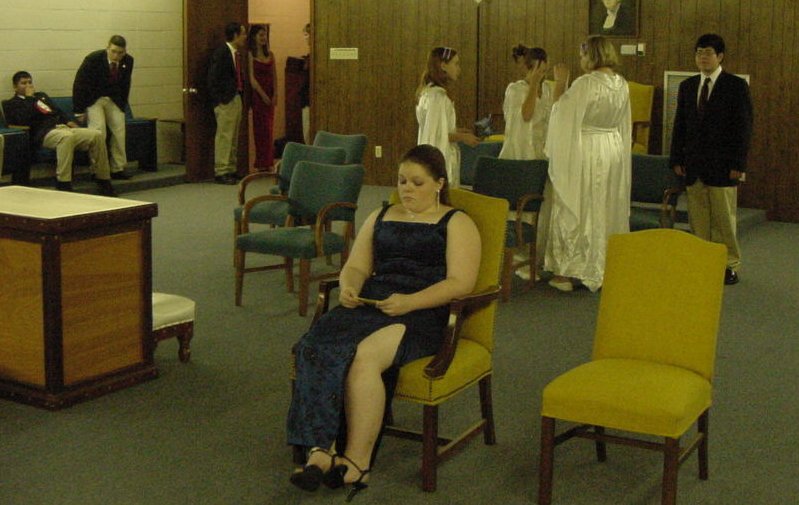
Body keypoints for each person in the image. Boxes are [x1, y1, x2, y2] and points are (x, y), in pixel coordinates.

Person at [287, 144, 481, 498]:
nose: (407, 189)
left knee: (364, 357)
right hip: (373, 303)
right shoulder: (381, 215)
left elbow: (460, 283)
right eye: (402, 181)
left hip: (424, 311)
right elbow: (357, 266)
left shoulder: (457, 222)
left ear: (439, 183)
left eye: (417, 183)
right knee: (315, 346)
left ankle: (356, 463)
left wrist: (410, 302)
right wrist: (349, 286)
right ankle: (321, 450)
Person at [543, 36, 631, 292]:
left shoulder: (586, 83)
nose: (581, 60)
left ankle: (569, 271)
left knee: (579, 204)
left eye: (583, 55)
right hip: (612, 148)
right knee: (605, 206)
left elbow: (561, 114)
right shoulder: (621, 84)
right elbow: (624, 123)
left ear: (592, 55)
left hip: (587, 150)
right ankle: (604, 263)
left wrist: (560, 83)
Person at [670, 34, 752, 286]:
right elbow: (680, 125)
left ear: (720, 56)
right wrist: (676, 157)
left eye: (707, 53)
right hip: (693, 164)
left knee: (723, 220)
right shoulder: (688, 86)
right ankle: (701, 261)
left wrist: (739, 164)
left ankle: (728, 264)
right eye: (699, 53)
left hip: (723, 166)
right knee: (698, 219)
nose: (702, 57)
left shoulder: (735, 86)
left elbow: (743, 127)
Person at [4, 71, 115, 196]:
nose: (28, 85)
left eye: (30, 82)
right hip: (42, 133)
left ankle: (103, 178)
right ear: (15, 87)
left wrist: (69, 122)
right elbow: (23, 119)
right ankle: (63, 182)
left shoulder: (41, 96)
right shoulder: (11, 103)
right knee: (66, 137)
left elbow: (57, 111)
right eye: (23, 83)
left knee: (96, 135)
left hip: (62, 128)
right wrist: (29, 99)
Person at [415, 47, 480, 188]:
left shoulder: (431, 94)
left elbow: (440, 128)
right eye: (455, 64)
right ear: (443, 66)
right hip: (439, 160)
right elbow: (436, 136)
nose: (459, 69)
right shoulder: (437, 97)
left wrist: (457, 131)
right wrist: (462, 137)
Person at [72, 35, 134, 180]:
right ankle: (97, 169)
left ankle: (118, 168)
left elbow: (126, 83)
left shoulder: (128, 61)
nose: (116, 56)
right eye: (113, 51)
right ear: (107, 48)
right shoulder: (93, 59)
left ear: (125, 52)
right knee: (99, 133)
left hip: (114, 99)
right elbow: (79, 83)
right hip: (94, 98)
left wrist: (122, 105)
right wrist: (78, 110)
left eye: (120, 53)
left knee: (119, 131)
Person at [207, 22, 247, 185]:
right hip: (226, 100)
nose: (245, 37)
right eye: (243, 34)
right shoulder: (222, 53)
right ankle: (221, 170)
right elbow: (213, 78)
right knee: (225, 136)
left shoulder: (237, 54)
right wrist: (220, 101)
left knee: (234, 135)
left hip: (236, 97)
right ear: (235, 35)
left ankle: (231, 168)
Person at [498, 45, 552, 160]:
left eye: (544, 71)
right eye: (539, 71)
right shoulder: (515, 89)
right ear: (528, 69)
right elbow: (526, 115)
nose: (542, 76)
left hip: (540, 152)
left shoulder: (547, 89)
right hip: (519, 153)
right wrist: (534, 85)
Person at [247, 24, 277, 172]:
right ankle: (261, 162)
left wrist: (275, 94)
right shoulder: (250, 55)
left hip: (270, 95)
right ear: (254, 37)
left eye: (265, 35)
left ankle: (269, 161)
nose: (263, 38)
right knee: (261, 130)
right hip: (259, 96)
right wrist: (263, 95)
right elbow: (252, 79)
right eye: (260, 35)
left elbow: (274, 76)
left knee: (269, 129)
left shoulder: (271, 54)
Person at [300, 22, 311, 145]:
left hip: (310, 99)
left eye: (307, 34)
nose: (306, 37)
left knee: (308, 133)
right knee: (306, 133)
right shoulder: (308, 56)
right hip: (305, 98)